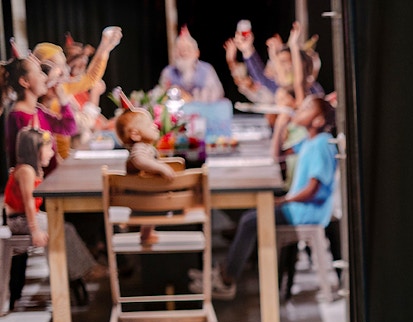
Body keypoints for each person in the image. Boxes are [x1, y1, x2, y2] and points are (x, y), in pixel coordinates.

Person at [190, 95, 335, 299]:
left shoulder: (321, 144)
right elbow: (276, 157)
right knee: (248, 217)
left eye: (307, 107)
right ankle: (225, 271)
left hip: (305, 211)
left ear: (318, 120)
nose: (300, 108)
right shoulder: (308, 141)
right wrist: (280, 126)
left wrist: (284, 200)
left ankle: (226, 280)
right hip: (296, 207)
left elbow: (313, 189)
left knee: (250, 220)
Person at [3, 126, 107, 305]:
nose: (51, 153)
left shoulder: (32, 170)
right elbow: (28, 203)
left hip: (29, 218)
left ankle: (77, 272)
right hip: (20, 221)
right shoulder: (26, 171)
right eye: (48, 148)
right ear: (35, 150)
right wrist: (35, 230)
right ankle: (80, 272)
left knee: (65, 227)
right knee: (63, 228)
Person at [2, 54, 77, 174]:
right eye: (39, 73)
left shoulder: (38, 111)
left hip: (51, 181)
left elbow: (69, 128)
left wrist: (62, 98)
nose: (44, 77)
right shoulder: (19, 117)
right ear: (25, 82)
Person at [114, 108, 177, 246]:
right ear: (135, 134)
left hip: (145, 198)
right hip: (143, 199)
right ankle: (145, 233)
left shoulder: (145, 146)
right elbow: (138, 160)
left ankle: (146, 234)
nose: (155, 126)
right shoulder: (139, 148)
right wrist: (161, 168)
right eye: (149, 125)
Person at [158, 27, 224, 102]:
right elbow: (159, 95)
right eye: (180, 49)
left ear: (197, 53)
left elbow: (217, 93)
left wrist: (191, 98)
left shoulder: (206, 70)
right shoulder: (168, 72)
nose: (183, 53)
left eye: (188, 49)